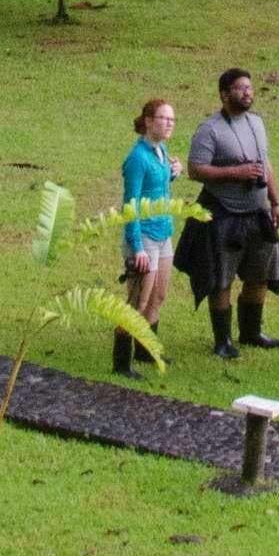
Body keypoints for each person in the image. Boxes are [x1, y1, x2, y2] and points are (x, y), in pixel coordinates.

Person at [185, 66, 279, 361]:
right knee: (221, 276)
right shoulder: (209, 129)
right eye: (241, 88)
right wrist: (235, 172)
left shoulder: (257, 123)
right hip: (222, 211)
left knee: (261, 273)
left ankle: (251, 332)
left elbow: (267, 165)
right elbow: (195, 170)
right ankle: (222, 340)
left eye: (250, 88)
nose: (247, 92)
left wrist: (276, 202)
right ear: (224, 94)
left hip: (257, 211)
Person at [114, 96, 178, 379]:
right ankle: (121, 362)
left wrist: (173, 173)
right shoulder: (137, 158)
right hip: (144, 237)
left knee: (158, 295)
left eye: (172, 119)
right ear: (149, 121)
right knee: (137, 301)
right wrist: (137, 247)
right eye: (163, 118)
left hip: (164, 233)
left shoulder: (160, 150)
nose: (169, 124)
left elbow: (158, 187)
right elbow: (131, 205)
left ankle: (146, 348)